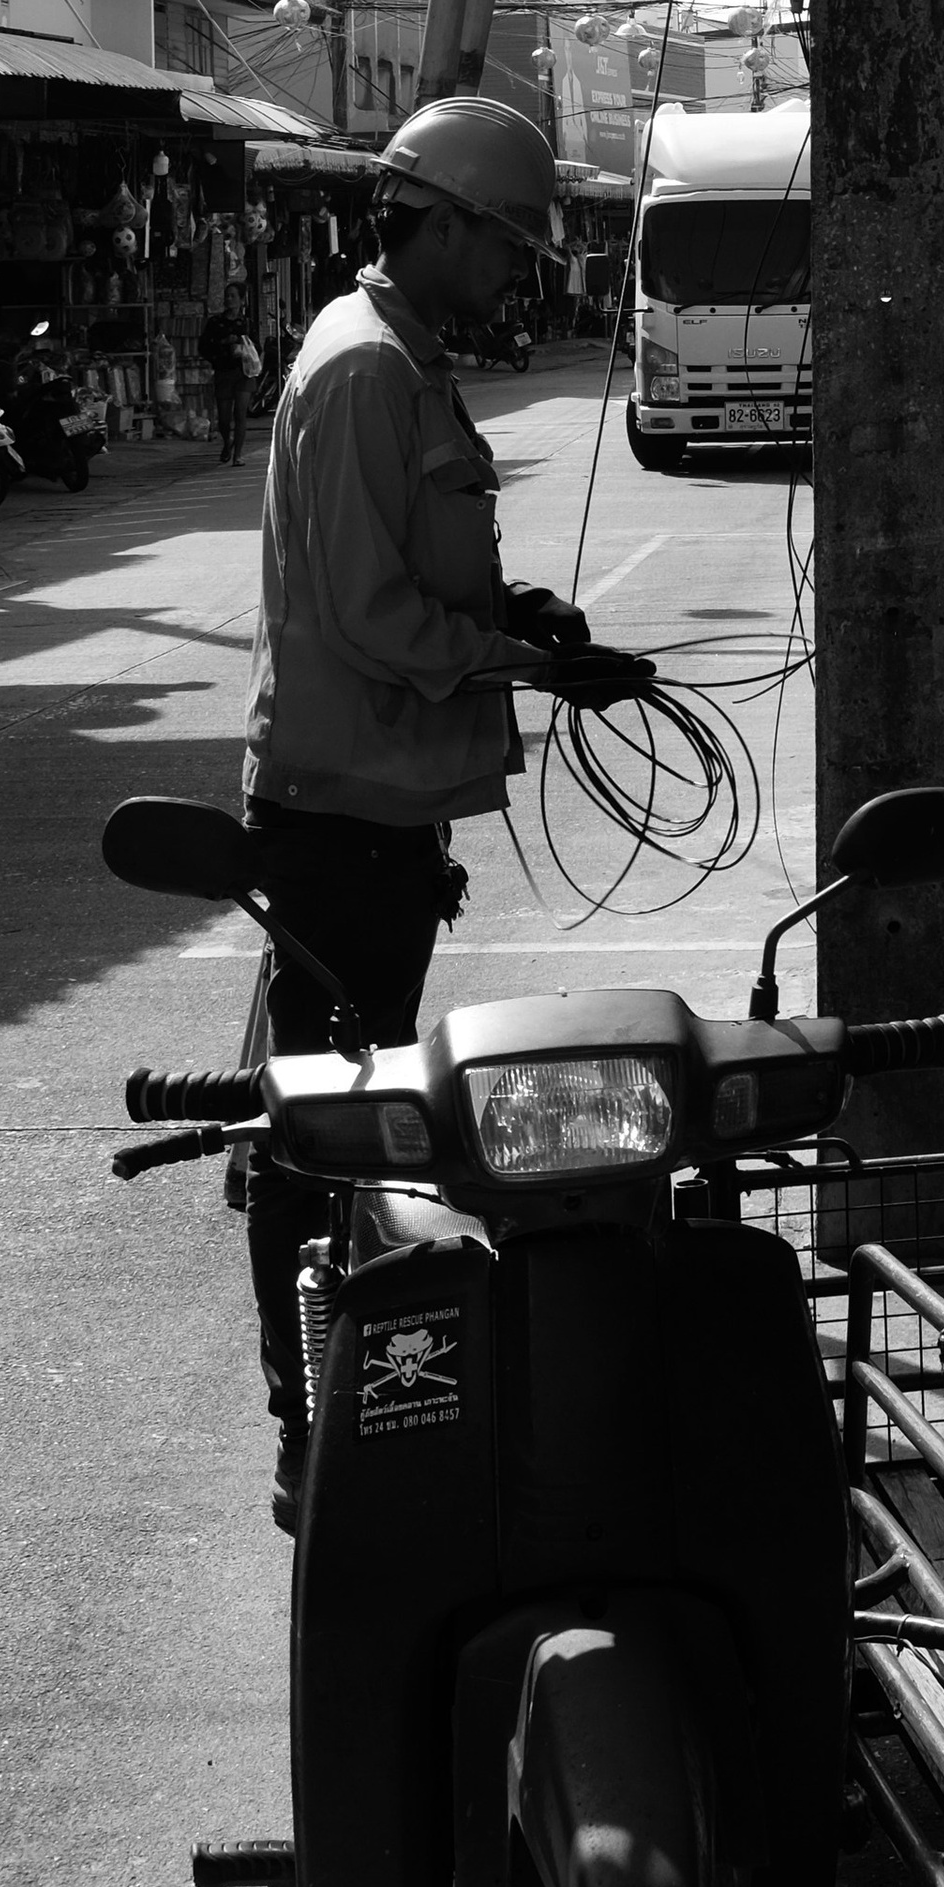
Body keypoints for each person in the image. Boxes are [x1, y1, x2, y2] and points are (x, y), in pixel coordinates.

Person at [238, 97, 586, 1528]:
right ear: (435, 225)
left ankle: (358, 1398)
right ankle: (307, 1428)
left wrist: (519, 614)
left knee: (357, 1116)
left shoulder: (409, 363)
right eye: (503, 242)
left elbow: (415, 570)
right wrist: (514, 655)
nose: (519, 271)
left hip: (379, 812)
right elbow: (374, 614)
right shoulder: (366, 369)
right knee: (318, 1133)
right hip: (336, 816)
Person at [198, 285, 255, 467]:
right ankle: (226, 442)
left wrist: (243, 347)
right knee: (223, 418)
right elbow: (204, 347)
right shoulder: (215, 323)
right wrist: (223, 344)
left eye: (233, 296)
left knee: (240, 413)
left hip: (243, 373)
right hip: (223, 372)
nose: (229, 299)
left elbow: (256, 348)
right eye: (227, 296)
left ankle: (238, 454)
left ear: (241, 299)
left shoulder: (247, 323)